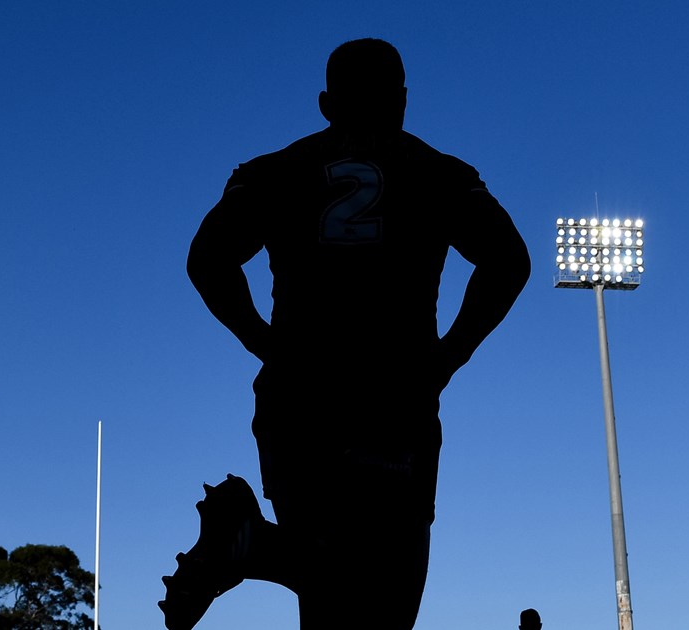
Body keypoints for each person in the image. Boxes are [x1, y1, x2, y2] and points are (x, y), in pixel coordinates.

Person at [165, 38, 531, 630]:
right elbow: (509, 261)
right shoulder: (440, 172)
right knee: (387, 595)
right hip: (394, 398)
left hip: (297, 399)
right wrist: (446, 360)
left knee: (332, 600)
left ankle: (258, 545)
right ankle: (256, 545)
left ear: (326, 104)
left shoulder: (271, 171)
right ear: (403, 100)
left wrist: (266, 344)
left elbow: (207, 259)